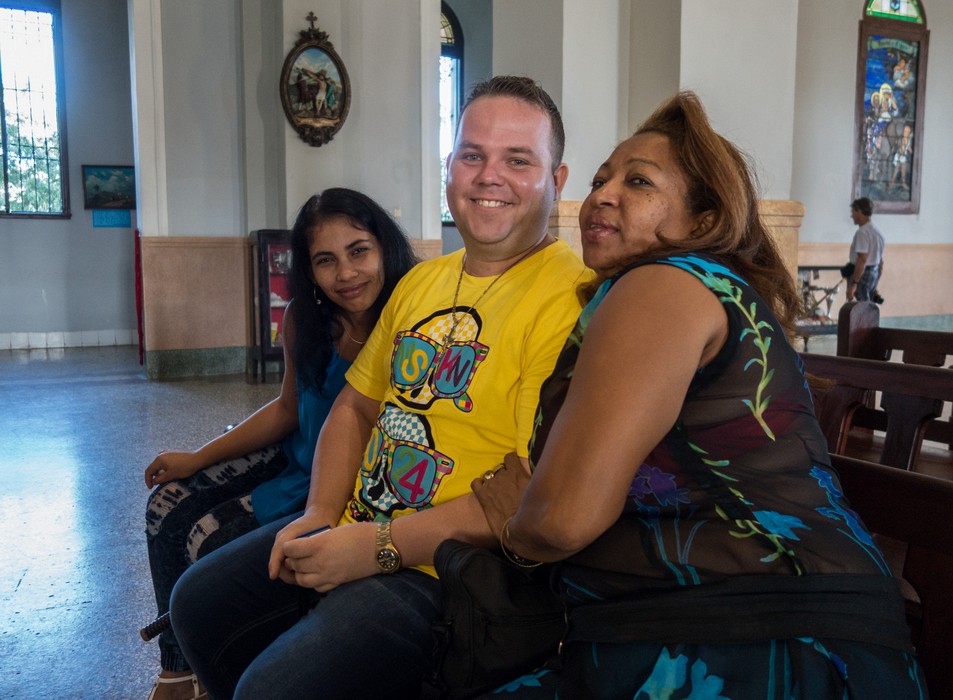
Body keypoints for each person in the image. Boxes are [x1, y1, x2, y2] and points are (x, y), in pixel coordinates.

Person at [470, 91, 925, 698]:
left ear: (703, 221)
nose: (603, 194)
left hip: (762, 642)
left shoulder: (661, 285)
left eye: (638, 182)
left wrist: (516, 528)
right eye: (603, 177)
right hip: (753, 619)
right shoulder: (693, 289)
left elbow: (559, 521)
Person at [170, 75, 591, 699]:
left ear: (556, 182)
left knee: (273, 690)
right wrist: (320, 514)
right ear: (448, 169)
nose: (488, 176)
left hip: (450, 568)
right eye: (472, 155)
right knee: (199, 602)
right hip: (358, 523)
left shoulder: (569, 299)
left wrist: (377, 547)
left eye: (518, 160)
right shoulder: (422, 284)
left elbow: (525, 493)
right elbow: (356, 404)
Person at [143, 188, 418, 700]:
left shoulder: (413, 318)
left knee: (208, 539)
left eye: (359, 250)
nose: (346, 274)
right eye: (326, 260)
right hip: (297, 455)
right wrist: (200, 455)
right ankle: (180, 672)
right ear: (308, 270)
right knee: (166, 507)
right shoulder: (305, 318)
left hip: (342, 487)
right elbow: (289, 408)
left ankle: (225, 669)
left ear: (385, 246)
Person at [846, 196, 885, 302]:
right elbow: (880, 262)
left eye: (853, 212)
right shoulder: (878, 232)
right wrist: (875, 283)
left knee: (859, 311)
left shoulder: (862, 232)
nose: (851, 215)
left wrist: (854, 284)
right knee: (867, 310)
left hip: (862, 276)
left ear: (859, 211)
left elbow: (862, 260)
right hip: (873, 273)